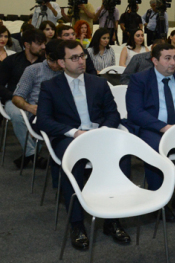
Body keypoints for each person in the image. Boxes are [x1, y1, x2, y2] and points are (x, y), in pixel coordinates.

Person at [37, 40, 130, 250]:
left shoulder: (98, 82)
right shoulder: (50, 87)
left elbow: (112, 113)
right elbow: (43, 120)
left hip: (99, 134)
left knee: (121, 159)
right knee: (74, 164)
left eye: (82, 56)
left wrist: (104, 131)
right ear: (61, 62)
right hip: (70, 137)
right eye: (74, 58)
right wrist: (75, 132)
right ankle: (77, 224)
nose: (81, 61)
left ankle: (113, 220)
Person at [125, 43, 175, 221]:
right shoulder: (140, 80)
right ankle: (160, 200)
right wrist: (164, 127)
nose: (173, 62)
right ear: (154, 61)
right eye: (167, 58)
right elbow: (135, 112)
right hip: (154, 128)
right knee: (156, 150)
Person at [11, 39, 63, 169]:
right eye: (52, 60)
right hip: (40, 113)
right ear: (46, 55)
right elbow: (17, 97)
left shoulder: (68, 70)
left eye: (59, 61)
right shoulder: (33, 70)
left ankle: (30, 155)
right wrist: (30, 107)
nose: (56, 65)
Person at [0, 29, 46, 167]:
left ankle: (28, 156)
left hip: (38, 100)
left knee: (48, 115)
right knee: (17, 114)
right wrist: (14, 97)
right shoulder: (11, 61)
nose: (43, 47)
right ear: (26, 44)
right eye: (39, 43)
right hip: (14, 99)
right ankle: (33, 154)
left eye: (44, 43)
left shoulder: (45, 64)